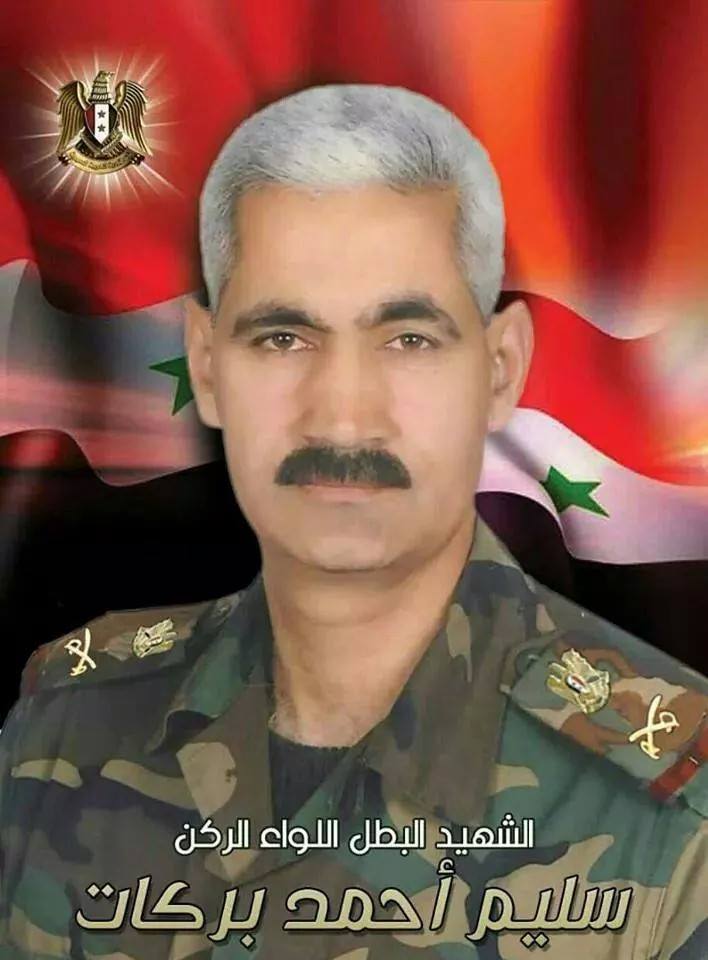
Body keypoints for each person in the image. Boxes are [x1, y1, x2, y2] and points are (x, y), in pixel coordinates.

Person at [0, 84, 706, 960]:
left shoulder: (677, 802)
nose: (340, 415)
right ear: (207, 367)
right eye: (282, 338)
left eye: (408, 338)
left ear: (499, 369)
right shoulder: (61, 729)